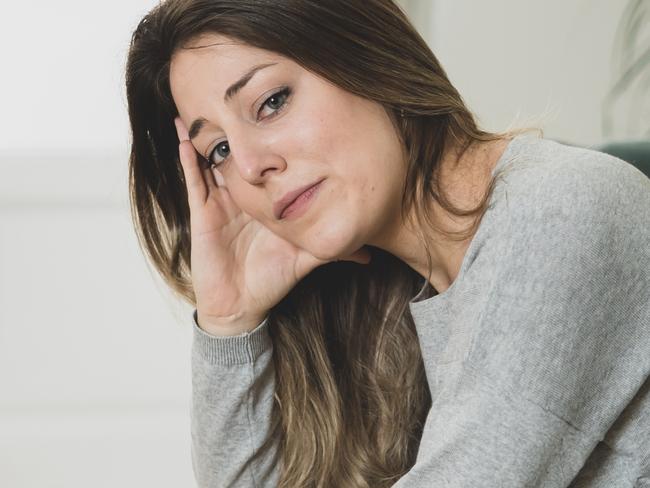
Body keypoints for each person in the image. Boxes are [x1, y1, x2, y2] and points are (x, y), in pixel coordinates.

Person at [124, 1, 650, 487]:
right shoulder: (393, 302)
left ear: (364, 54)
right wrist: (229, 319)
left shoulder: (562, 210)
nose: (249, 165)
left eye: (271, 102)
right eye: (217, 149)